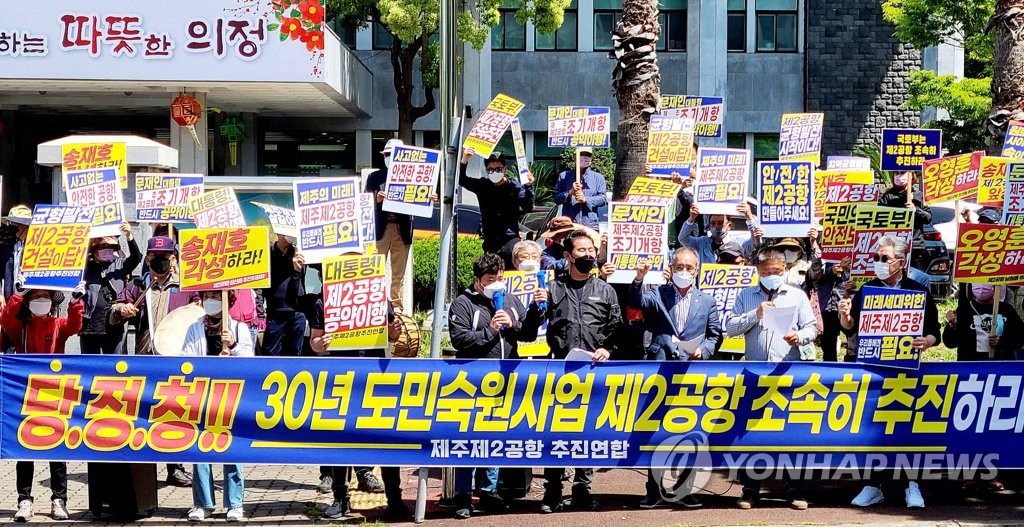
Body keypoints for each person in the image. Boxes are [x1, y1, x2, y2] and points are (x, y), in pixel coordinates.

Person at [839, 235, 940, 509]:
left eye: (885, 259)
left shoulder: (918, 291)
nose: (879, 263)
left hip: (907, 371)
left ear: (900, 262)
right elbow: (850, 328)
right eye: (876, 258)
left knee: (905, 429)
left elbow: (935, 333)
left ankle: (912, 485)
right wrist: (845, 314)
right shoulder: (867, 290)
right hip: (874, 372)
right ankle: (873, 485)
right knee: (873, 429)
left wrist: (926, 341)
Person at [446, 253, 545, 519]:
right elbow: (460, 340)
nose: (497, 284)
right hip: (472, 383)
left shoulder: (510, 300)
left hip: (505, 381)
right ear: (477, 280)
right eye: (491, 280)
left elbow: (527, 333)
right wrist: (491, 329)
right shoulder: (463, 303)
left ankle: (489, 491)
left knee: (494, 437)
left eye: (500, 279)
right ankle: (463, 496)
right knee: (468, 440)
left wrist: (535, 310)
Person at [306, 270, 410, 520]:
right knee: (342, 439)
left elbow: (393, 335)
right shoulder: (324, 301)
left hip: (376, 378)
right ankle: (340, 497)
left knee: (384, 439)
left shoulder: (376, 297)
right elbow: (315, 342)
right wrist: (323, 344)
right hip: (341, 379)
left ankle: (394, 499)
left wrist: (394, 329)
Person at [630, 246, 721, 509]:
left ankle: (684, 489)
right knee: (654, 429)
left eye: (689, 268)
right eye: (679, 267)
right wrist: (640, 278)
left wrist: (703, 351)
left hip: (691, 371)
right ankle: (652, 489)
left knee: (690, 430)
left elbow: (715, 335)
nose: (684, 272)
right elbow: (637, 304)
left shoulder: (707, 301)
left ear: (697, 270)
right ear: (671, 267)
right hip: (659, 368)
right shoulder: (657, 293)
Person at [725, 250, 816, 510]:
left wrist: (800, 336)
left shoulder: (797, 296)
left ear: (785, 269)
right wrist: (756, 314)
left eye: (777, 272)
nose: (772, 277)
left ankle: (794, 490)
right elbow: (730, 327)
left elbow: (811, 326)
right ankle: (750, 489)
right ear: (758, 271)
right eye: (766, 273)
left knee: (791, 432)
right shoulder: (746, 295)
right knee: (750, 433)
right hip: (754, 374)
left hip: (788, 373)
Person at [541, 230, 622, 513]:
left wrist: (608, 348)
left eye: (591, 250)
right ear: (567, 256)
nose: (587, 255)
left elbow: (617, 328)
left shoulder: (605, 290)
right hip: (558, 372)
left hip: (593, 371)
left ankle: (582, 488)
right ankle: (552, 490)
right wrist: (538, 306)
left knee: (588, 431)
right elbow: (534, 331)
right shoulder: (552, 289)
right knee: (557, 432)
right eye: (581, 251)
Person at [110, 235, 198, 487]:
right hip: (146, 355)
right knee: (147, 411)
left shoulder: (186, 286)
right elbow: (116, 310)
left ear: (173, 259)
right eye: (154, 257)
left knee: (175, 412)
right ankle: (144, 468)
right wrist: (121, 310)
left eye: (164, 258)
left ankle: (176, 466)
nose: (158, 262)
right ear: (147, 258)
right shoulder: (140, 284)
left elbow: (198, 312)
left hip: (176, 356)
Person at [1, 283, 84, 522]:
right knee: (23, 449)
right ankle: (24, 500)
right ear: (28, 303)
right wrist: (17, 293)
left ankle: (59, 499)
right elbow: (6, 319)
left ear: (52, 302)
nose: (40, 300)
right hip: (25, 396)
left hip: (54, 395)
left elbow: (75, 325)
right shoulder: (20, 328)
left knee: (56, 447)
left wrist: (76, 300)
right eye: (35, 297)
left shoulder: (58, 325)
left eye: (45, 296)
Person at [182, 290, 252, 522]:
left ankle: (234, 503)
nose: (211, 301)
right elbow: (186, 358)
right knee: (200, 449)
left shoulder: (240, 328)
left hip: (231, 397)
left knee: (231, 448)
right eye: (208, 296)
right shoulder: (194, 328)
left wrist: (232, 346)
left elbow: (250, 362)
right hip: (202, 396)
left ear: (228, 301)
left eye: (217, 296)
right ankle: (203, 503)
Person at [459, 149, 535, 265]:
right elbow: (461, 179)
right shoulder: (483, 186)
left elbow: (527, 207)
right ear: (486, 170)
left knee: (511, 274)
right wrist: (465, 159)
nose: (494, 172)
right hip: (490, 241)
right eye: (491, 170)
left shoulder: (514, 187)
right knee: (491, 274)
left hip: (510, 240)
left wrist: (529, 187)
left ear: (505, 169)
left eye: (498, 169)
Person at [80, 223, 142, 355]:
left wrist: (129, 235)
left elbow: (136, 257)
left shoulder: (119, 264)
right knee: (90, 367)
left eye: (110, 247)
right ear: (94, 248)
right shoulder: (85, 267)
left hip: (113, 323)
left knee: (115, 366)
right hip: (89, 325)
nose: (107, 249)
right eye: (102, 246)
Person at [366, 138, 412, 313]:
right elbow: (364, 202)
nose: (389, 157)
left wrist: (427, 198)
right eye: (387, 154)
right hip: (380, 229)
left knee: (398, 274)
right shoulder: (375, 177)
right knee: (375, 270)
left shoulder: (410, 175)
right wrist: (376, 199)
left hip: (401, 228)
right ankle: (375, 306)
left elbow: (419, 199)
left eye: (393, 154)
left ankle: (397, 308)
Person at [944, 283, 1024, 360]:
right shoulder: (964, 310)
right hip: (971, 369)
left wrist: (1001, 342)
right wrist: (952, 326)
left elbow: (1020, 340)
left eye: (985, 282)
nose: (981, 286)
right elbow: (950, 343)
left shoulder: (1006, 309)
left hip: (1001, 368)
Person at [262, 234, 306, 356]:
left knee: (295, 352)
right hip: (275, 311)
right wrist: (260, 311)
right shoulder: (268, 253)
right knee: (271, 352)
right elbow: (260, 285)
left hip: (297, 310)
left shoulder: (300, 252)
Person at [677, 204, 756, 265]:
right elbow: (683, 239)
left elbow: (755, 241)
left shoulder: (738, 242)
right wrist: (691, 219)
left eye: (720, 223)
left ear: (729, 226)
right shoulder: (701, 243)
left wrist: (749, 217)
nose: (717, 227)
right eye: (713, 223)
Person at [553, 148, 607, 229]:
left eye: (587, 156)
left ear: (591, 160)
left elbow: (603, 199)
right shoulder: (564, 176)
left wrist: (586, 200)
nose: (584, 158)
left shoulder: (598, 178)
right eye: (581, 155)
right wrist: (570, 192)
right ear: (574, 158)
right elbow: (557, 198)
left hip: (591, 225)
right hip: (569, 224)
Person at [1, 204, 33, 301]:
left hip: (29, 300)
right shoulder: (6, 248)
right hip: (10, 300)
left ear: (24, 226)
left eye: (14, 224)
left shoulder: (35, 249)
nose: (11, 227)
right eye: (10, 224)